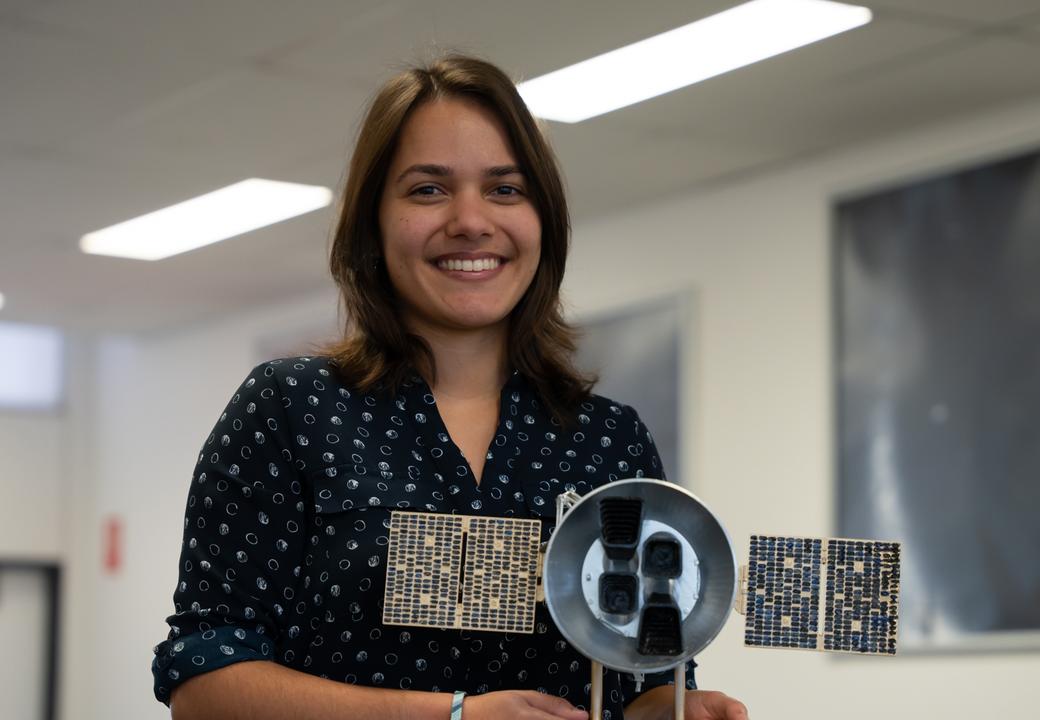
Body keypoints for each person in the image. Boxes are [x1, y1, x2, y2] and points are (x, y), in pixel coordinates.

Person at [150, 54, 749, 720]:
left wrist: (674, 708)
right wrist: (452, 716)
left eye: (505, 189)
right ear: (374, 222)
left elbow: (642, 677)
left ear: (543, 220)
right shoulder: (291, 409)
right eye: (429, 189)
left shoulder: (608, 439)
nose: (470, 220)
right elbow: (204, 683)